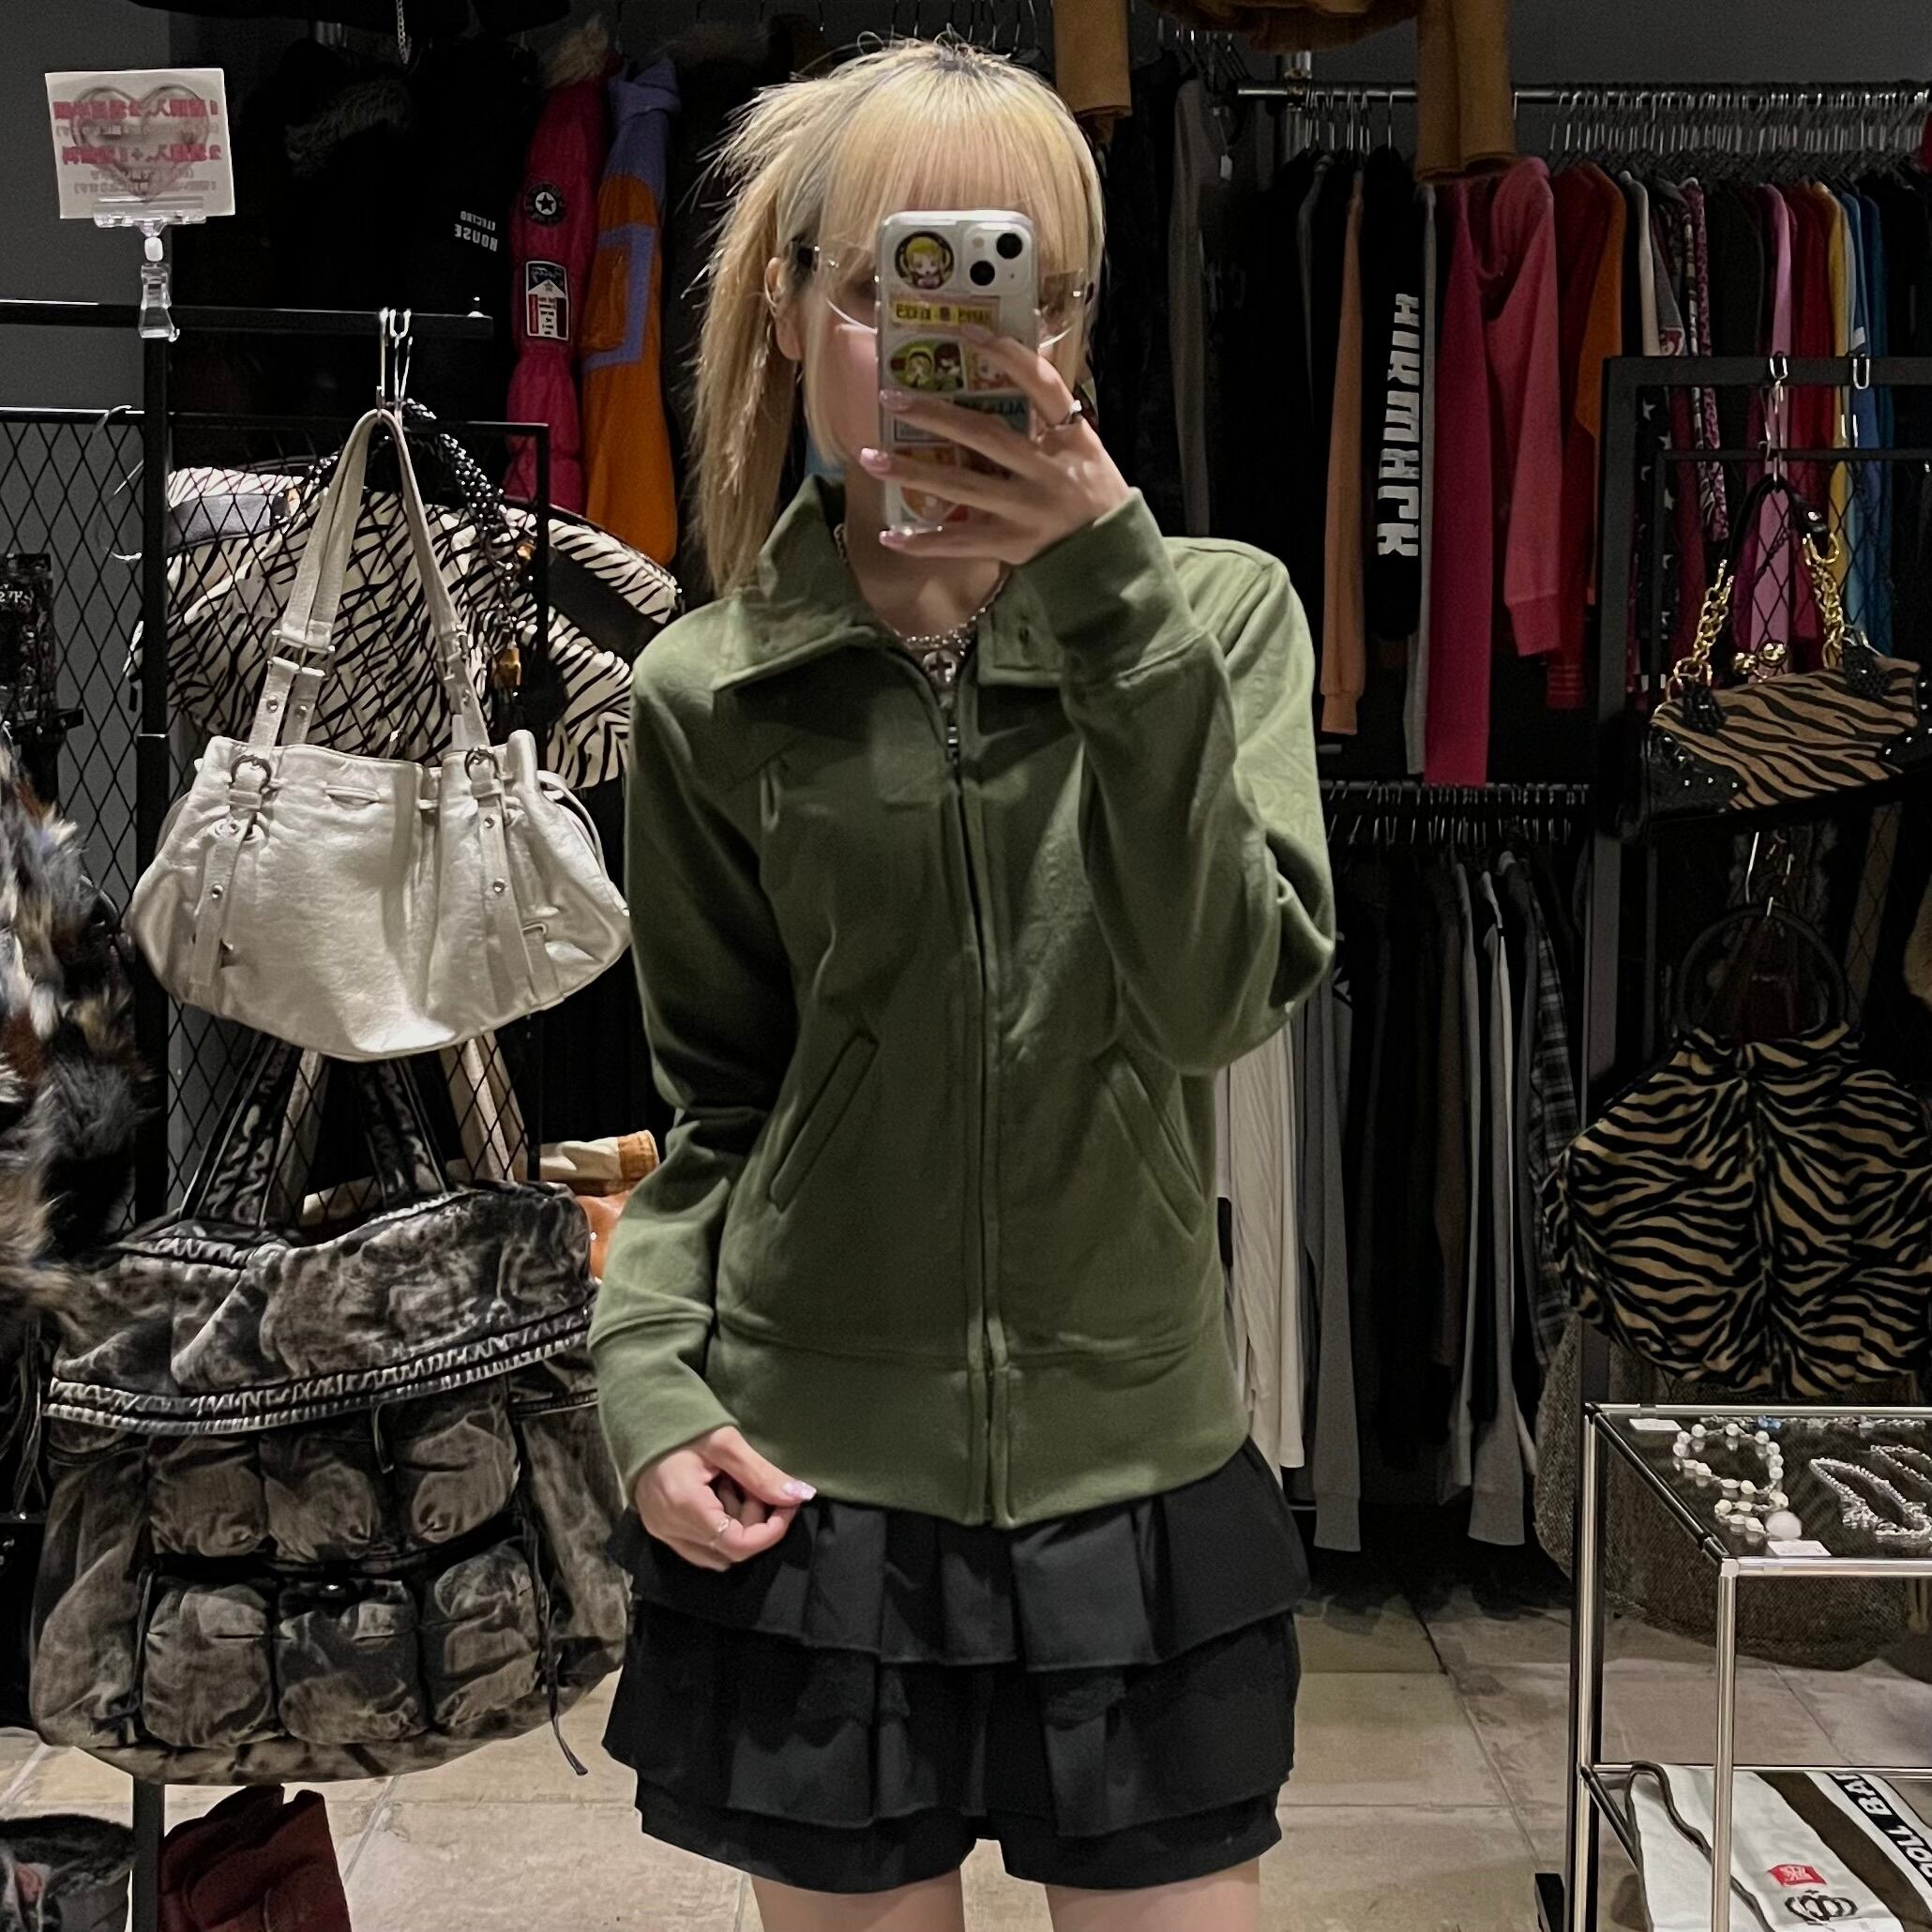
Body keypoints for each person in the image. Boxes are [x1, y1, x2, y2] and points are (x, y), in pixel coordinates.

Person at [590, 38, 1336, 1932]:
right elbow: (720, 1105)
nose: (964, 343)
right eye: (891, 286)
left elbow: (1216, 1004)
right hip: (819, 1487)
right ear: (791, 307)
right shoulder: (707, 693)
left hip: (1136, 1469)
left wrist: (1108, 604)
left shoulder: (1214, 617)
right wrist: (648, 1374)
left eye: (1022, 290)